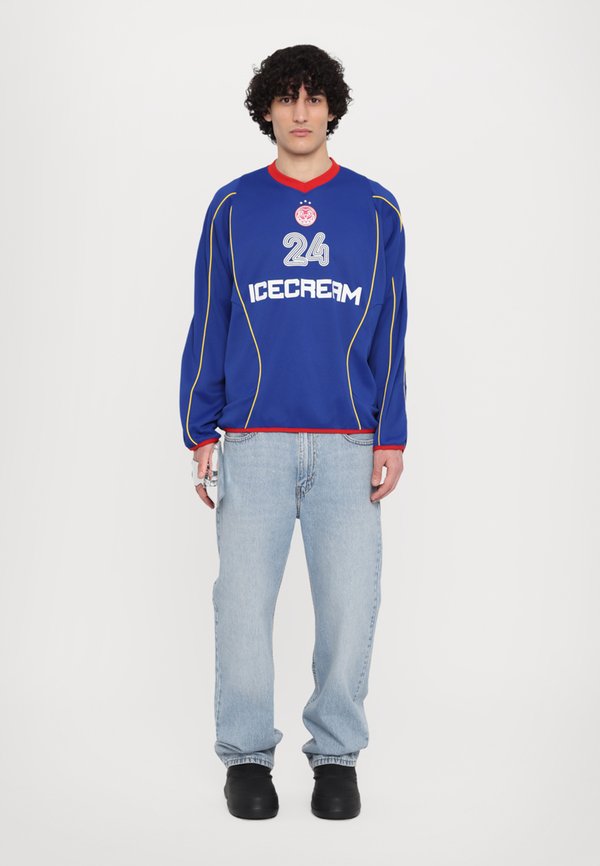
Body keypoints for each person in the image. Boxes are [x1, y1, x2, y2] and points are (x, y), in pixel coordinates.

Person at [179, 44, 408, 820]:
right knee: (243, 608)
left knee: (349, 606)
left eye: (314, 98)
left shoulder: (375, 209)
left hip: (348, 443)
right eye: (286, 98)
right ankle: (246, 757)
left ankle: (336, 757)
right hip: (253, 441)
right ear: (267, 110)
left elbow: (391, 331)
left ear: (332, 108)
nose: (301, 112)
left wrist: (391, 435)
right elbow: (210, 320)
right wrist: (199, 429)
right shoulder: (233, 207)